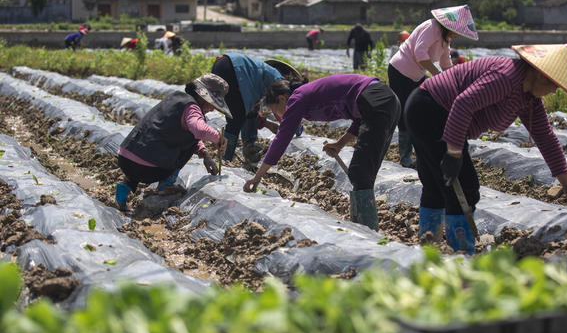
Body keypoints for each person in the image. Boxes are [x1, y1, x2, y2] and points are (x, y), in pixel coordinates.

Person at [404, 43, 567, 254]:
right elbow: (463, 103)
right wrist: (454, 153)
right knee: (464, 188)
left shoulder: (529, 99)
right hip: (430, 109)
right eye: (555, 85)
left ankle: (429, 250)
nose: (554, 90)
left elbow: (545, 137)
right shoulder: (507, 78)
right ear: (541, 75)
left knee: (438, 186)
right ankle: (461, 257)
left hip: (428, 108)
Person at [243, 74, 400, 231]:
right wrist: (340, 143)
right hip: (385, 100)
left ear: (282, 99)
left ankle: (367, 233)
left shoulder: (297, 99)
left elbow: (282, 140)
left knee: (360, 172)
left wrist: (257, 176)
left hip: (376, 100)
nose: (277, 115)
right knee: (365, 172)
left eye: (274, 110)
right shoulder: (304, 96)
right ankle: (367, 229)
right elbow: (359, 117)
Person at [115, 74, 230, 211]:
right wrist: (219, 137)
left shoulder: (174, 99)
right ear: (202, 97)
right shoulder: (192, 108)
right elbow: (198, 130)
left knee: (154, 144)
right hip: (150, 168)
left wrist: (205, 155)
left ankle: (124, 189)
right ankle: (166, 186)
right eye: (212, 104)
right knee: (183, 147)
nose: (211, 109)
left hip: (126, 159)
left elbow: (184, 134)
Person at [388, 5, 478, 169]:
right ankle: (405, 158)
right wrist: (437, 75)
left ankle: (422, 155)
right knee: (405, 114)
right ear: (451, 26)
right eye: (459, 31)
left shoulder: (446, 38)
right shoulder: (432, 27)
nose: (458, 35)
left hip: (416, 74)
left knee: (420, 112)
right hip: (400, 71)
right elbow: (419, 53)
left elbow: (446, 63)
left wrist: (456, 81)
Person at [211, 53, 295, 164]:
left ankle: (248, 147)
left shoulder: (264, 78)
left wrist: (267, 124)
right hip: (231, 69)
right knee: (236, 118)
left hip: (224, 65)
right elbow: (280, 110)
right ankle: (225, 159)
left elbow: (252, 111)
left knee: (246, 112)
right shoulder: (278, 81)